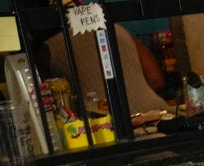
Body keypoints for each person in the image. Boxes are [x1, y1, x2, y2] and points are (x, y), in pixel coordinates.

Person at [41, 24, 169, 115]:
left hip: (104, 124)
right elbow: (156, 80)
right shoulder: (116, 28)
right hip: (157, 113)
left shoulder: (48, 50)